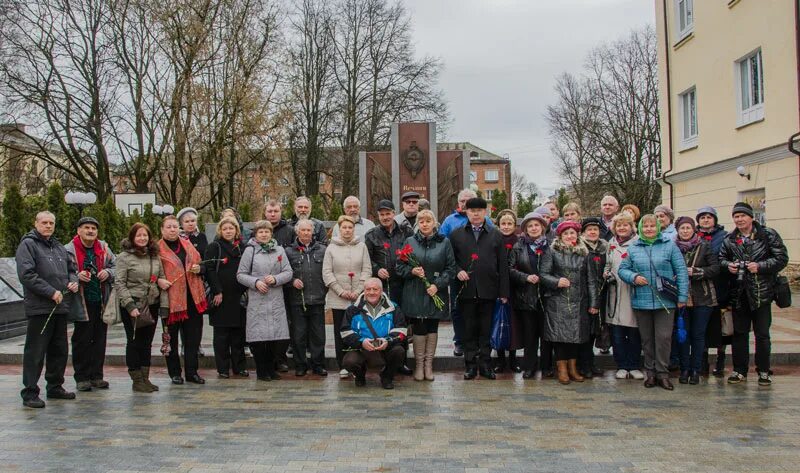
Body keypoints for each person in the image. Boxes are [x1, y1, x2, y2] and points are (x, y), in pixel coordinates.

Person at [719, 202, 788, 386]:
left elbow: (781, 258)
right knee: (739, 334)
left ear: (751, 217)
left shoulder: (767, 235)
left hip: (762, 292)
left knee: (762, 334)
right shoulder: (730, 239)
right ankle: (739, 370)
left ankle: (764, 370)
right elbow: (721, 259)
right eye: (736, 216)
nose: (739, 219)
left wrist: (760, 266)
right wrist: (729, 266)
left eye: (743, 215)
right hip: (739, 293)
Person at [618, 214, 689, 391]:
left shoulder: (669, 246)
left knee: (664, 338)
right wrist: (634, 277)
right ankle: (650, 373)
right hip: (642, 301)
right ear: (641, 228)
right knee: (647, 340)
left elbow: (681, 271)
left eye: (652, 226)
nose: (649, 229)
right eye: (646, 226)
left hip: (665, 301)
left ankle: (663, 374)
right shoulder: (634, 247)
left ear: (657, 227)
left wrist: (682, 297)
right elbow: (622, 269)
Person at [17, 211, 80, 408]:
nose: (48, 226)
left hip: (60, 307)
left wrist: (73, 282)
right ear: (36, 223)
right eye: (44, 222)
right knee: (35, 351)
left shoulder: (59, 246)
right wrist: (50, 292)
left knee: (59, 350)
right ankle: (30, 392)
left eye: (51, 223)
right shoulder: (28, 245)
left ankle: (54, 386)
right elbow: (27, 274)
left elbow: (71, 269)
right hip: (40, 308)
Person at [448, 197, 510, 380]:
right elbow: (451, 261)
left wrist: (504, 292)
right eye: (472, 210)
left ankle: (485, 364)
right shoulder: (457, 234)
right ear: (466, 212)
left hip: (488, 290)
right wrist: (458, 271)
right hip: (465, 290)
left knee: (485, 329)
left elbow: (503, 266)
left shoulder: (495, 234)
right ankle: (470, 365)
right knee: (468, 329)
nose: (475, 213)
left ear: (485, 212)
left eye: (479, 210)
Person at [396, 209, 457, 381]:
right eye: (421, 221)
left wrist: (437, 285)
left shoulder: (444, 243)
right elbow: (399, 267)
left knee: (432, 327)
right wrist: (412, 270)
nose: (424, 224)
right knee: (418, 327)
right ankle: (419, 365)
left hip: (434, 293)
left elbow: (450, 268)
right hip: (414, 292)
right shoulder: (410, 241)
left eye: (428, 221)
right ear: (417, 224)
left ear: (434, 223)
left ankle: (428, 365)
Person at [539, 221, 599, 385]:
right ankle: (562, 369)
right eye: (566, 233)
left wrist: (594, 303)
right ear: (560, 236)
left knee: (576, 336)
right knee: (560, 337)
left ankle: (573, 368)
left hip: (579, 301)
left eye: (572, 233)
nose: (569, 236)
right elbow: (543, 274)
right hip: (558, 301)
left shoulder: (585, 254)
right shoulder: (552, 252)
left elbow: (592, 280)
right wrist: (557, 281)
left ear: (577, 235)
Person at [237, 220, 293, 381]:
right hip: (257, 300)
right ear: (256, 234)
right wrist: (256, 282)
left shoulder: (279, 250)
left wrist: (275, 279)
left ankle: (271, 368)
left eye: (267, 232)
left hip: (275, 299)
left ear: (271, 233)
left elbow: (288, 272)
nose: (264, 234)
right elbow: (241, 274)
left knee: (274, 338)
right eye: (261, 232)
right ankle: (261, 370)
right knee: (259, 338)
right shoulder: (250, 251)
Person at [439, 188, 493, 357]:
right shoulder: (449, 221)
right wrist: (456, 269)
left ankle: (477, 341)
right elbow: (443, 246)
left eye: (469, 200)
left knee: (478, 309)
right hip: (458, 273)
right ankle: (460, 342)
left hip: (479, 275)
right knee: (457, 309)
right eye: (462, 200)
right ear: (458, 203)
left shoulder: (487, 221)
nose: (465, 203)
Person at [64, 217, 116, 392]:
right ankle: (82, 377)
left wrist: (108, 272)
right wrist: (76, 277)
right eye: (86, 227)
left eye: (93, 228)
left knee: (100, 340)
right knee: (82, 340)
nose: (90, 231)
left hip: (100, 301)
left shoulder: (104, 248)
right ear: (78, 230)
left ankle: (97, 376)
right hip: (81, 302)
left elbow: (117, 267)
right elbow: (63, 273)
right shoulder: (68, 250)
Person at [116, 223, 169, 393]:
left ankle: (145, 378)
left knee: (146, 343)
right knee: (134, 342)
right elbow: (119, 283)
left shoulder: (154, 255)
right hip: (132, 305)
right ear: (132, 237)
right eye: (138, 235)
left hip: (151, 304)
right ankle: (136, 379)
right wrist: (129, 305)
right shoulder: (124, 257)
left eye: (145, 235)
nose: (142, 238)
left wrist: (161, 284)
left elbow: (160, 276)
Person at [363, 199, 414, 376]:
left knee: (401, 323)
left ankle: (402, 361)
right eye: (382, 214)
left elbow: (412, 253)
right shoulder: (371, 235)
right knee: (384, 323)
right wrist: (377, 269)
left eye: (388, 213)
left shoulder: (406, 232)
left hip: (402, 285)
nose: (385, 217)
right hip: (382, 287)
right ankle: (383, 360)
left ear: (394, 213)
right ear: (378, 216)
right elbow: (367, 258)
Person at [158, 215, 208, 385]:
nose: (172, 230)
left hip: (193, 299)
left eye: (174, 227)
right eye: (169, 227)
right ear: (162, 230)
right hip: (171, 301)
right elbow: (151, 271)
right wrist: (157, 280)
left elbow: (203, 264)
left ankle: (192, 372)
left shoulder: (188, 245)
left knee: (193, 339)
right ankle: (174, 373)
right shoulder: (157, 249)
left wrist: (200, 269)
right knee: (170, 339)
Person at [323, 215, 372, 379]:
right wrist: (341, 291)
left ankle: (358, 361)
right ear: (339, 229)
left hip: (358, 296)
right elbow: (327, 273)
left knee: (358, 329)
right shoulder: (331, 248)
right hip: (338, 297)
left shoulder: (362, 246)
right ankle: (342, 364)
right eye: (344, 227)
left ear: (354, 229)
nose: (347, 230)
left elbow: (367, 270)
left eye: (350, 227)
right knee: (340, 331)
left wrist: (358, 290)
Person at [674, 216, 719, 385]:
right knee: (683, 335)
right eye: (682, 228)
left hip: (703, 297)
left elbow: (715, 268)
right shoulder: (673, 247)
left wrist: (697, 271)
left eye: (688, 228)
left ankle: (696, 369)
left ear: (694, 229)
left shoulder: (704, 246)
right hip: (681, 298)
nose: (685, 231)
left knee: (698, 335)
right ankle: (684, 368)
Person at [339, 278, 407, 389]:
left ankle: (386, 376)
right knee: (349, 361)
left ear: (381, 291)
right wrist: (361, 341)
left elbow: (402, 330)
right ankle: (360, 375)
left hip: (385, 347)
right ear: (364, 291)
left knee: (399, 351)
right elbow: (345, 332)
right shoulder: (353, 309)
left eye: (375, 289)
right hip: (361, 348)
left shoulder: (393, 308)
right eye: (368, 289)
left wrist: (388, 341)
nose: (371, 292)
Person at [205, 217, 248, 379]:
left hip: (238, 296)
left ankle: (239, 367)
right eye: (225, 229)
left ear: (236, 230)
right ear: (220, 231)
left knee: (238, 335)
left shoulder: (242, 247)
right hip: (221, 297)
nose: (228, 231)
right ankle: (223, 368)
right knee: (222, 336)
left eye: (231, 228)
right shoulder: (214, 247)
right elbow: (209, 270)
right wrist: (217, 291)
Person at [285, 219, 328, 377]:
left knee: (318, 335)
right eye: (303, 230)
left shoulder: (322, 250)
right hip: (297, 300)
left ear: (313, 232)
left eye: (309, 230)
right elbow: (284, 272)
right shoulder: (289, 252)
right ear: (297, 232)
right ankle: (300, 364)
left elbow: (328, 272)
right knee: (299, 335)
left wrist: (325, 290)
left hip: (317, 299)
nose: (306, 233)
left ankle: (318, 364)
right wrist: (291, 281)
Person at [603, 212, 644, 380]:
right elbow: (607, 263)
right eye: (618, 225)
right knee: (617, 334)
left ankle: (634, 365)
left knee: (634, 332)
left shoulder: (638, 243)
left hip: (632, 291)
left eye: (625, 225)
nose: (622, 228)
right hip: (615, 292)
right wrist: (606, 273)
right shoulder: (610, 244)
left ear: (631, 227)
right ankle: (621, 365)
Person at [508, 211, 549, 379]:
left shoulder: (551, 245)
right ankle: (529, 366)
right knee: (530, 334)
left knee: (547, 335)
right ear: (524, 229)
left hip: (547, 296)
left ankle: (547, 366)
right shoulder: (518, 246)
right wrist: (525, 277)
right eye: (530, 226)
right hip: (526, 296)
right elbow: (510, 269)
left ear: (542, 227)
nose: (533, 228)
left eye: (536, 225)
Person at [695, 206, 732, 377]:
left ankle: (720, 359)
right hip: (700, 288)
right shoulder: (694, 237)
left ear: (715, 220)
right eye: (702, 217)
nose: (706, 220)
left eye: (709, 217)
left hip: (720, 286)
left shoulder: (724, 237)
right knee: (701, 326)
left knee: (722, 326)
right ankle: (702, 361)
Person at [578, 217, 608, 378]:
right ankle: (584, 364)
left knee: (595, 330)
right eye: (589, 229)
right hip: (585, 295)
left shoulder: (604, 248)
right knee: (585, 331)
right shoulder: (580, 249)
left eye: (595, 229)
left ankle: (591, 362)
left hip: (602, 293)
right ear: (583, 233)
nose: (592, 232)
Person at [176, 207, 208, 358]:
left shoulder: (201, 237)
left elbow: (206, 259)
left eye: (193, 221)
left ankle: (197, 343)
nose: (190, 224)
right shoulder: (178, 238)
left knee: (198, 317)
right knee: (184, 315)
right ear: (181, 223)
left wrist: (201, 268)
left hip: (197, 281)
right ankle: (185, 344)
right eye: (187, 221)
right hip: (182, 283)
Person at [493, 209, 521, 373]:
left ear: (515, 225)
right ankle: (500, 359)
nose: (506, 226)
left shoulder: (519, 241)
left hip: (515, 289)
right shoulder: (494, 240)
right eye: (503, 223)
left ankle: (513, 359)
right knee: (499, 323)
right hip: (498, 288)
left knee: (513, 326)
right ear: (498, 225)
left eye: (509, 223)